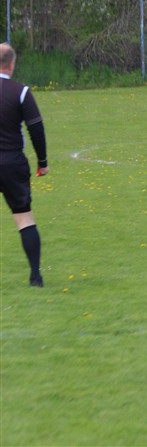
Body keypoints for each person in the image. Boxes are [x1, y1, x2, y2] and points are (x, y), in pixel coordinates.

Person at [0, 43, 47, 287]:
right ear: (12, 64)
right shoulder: (21, 92)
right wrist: (43, 162)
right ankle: (35, 278)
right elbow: (36, 129)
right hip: (11, 162)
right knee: (24, 219)